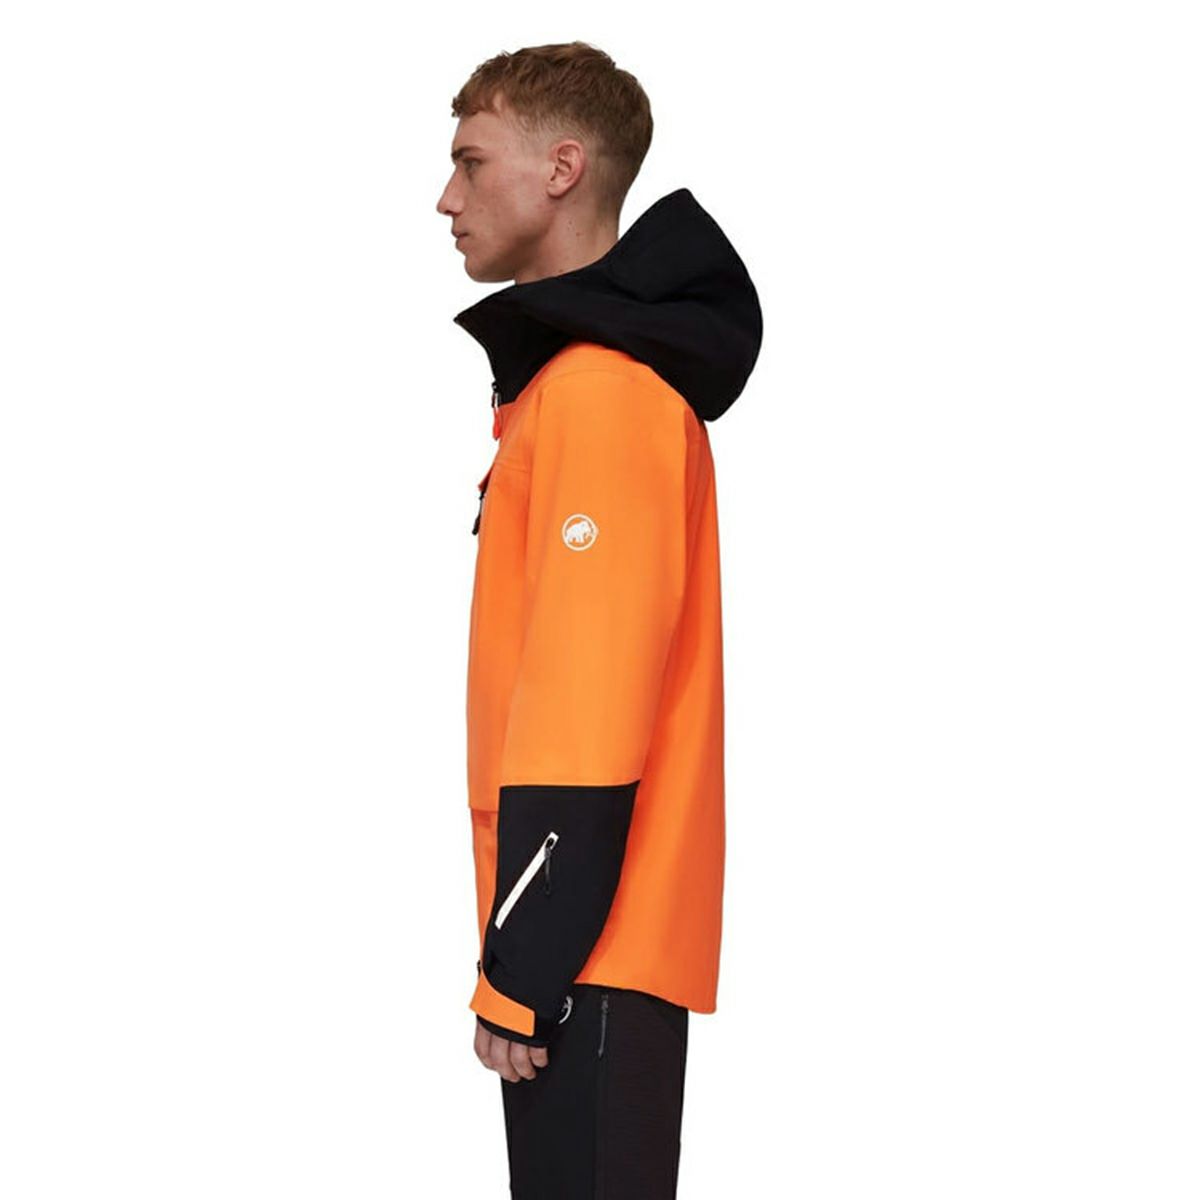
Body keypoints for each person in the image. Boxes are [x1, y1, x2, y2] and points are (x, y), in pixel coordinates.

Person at [436, 40, 763, 1199]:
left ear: (563, 168)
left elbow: (588, 707)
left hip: (589, 950)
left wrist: (526, 965)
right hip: (588, 941)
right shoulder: (573, 390)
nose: (447, 197)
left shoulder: (603, 397)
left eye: (473, 162)